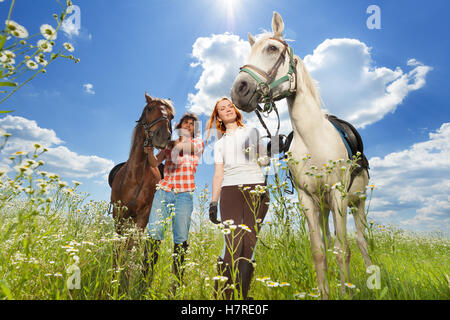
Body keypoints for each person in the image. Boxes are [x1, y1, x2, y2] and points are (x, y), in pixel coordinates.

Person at [206, 97, 270, 300]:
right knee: (233, 244)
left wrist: (266, 152)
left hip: (256, 188)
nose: (227, 110)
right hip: (230, 191)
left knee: (249, 243)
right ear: (218, 117)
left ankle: (242, 297)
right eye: (222, 109)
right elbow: (218, 174)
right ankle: (224, 297)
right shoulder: (220, 144)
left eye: (229, 106)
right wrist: (213, 202)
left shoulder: (251, 132)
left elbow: (264, 160)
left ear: (235, 110)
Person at [145, 112, 204, 286]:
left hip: (184, 194)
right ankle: (146, 279)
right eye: (185, 123)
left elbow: (184, 146)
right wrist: (150, 151)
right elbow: (155, 163)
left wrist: (168, 141)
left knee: (180, 236)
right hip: (164, 191)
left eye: (191, 124)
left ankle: (176, 282)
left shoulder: (197, 144)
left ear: (195, 129)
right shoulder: (168, 146)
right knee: (154, 233)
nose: (188, 125)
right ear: (179, 126)